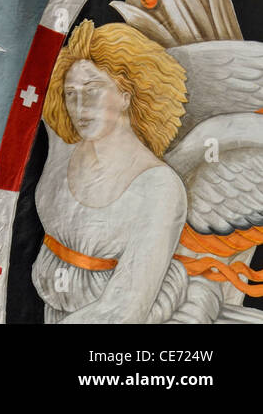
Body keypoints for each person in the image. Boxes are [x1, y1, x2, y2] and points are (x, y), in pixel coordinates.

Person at [30, 20, 188, 323]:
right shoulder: (65, 145)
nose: (80, 107)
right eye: (71, 94)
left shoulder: (159, 187)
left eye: (93, 91)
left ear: (127, 94)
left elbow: (124, 309)